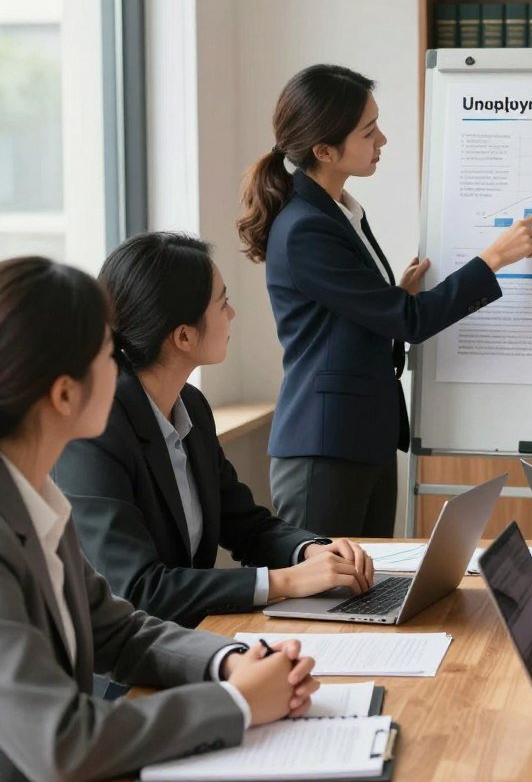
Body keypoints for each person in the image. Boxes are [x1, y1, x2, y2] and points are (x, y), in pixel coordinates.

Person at [0, 256, 319, 782]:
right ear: (65, 395)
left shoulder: (34, 493)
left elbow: (115, 629)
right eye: (105, 351)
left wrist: (231, 662)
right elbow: (62, 741)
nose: (119, 360)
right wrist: (240, 703)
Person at [237, 64, 532, 537]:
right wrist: (492, 259)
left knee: (368, 591)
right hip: (325, 449)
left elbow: (349, 314)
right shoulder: (306, 227)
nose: (382, 140)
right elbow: (410, 321)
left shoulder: (339, 211)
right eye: (369, 132)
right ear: (324, 150)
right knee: (322, 600)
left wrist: (392, 295)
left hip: (361, 437)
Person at [54, 233, 374, 629]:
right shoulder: (94, 431)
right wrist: (285, 581)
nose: (232, 314)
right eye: (223, 303)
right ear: (184, 336)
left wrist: (311, 551)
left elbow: (246, 525)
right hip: (120, 675)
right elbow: (137, 589)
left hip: (187, 640)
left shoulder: (191, 406)